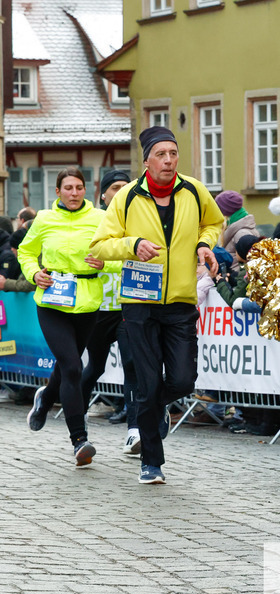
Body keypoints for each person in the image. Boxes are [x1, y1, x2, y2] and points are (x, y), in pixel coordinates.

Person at [91, 126, 224, 484]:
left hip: (180, 301)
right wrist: (132, 245)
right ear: (147, 160)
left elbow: (214, 221)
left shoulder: (194, 190)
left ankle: (150, 409)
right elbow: (100, 246)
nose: (168, 160)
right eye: (161, 155)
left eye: (173, 154)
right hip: (139, 303)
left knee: (182, 380)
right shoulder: (128, 197)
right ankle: (151, 462)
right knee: (148, 383)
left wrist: (204, 244)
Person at [18, 167, 109, 465]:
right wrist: (34, 273)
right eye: (68, 188)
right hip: (52, 302)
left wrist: (104, 263)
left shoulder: (99, 219)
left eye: (79, 188)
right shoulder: (44, 219)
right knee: (72, 366)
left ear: (87, 190)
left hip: (87, 303)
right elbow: (26, 252)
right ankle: (79, 440)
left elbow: (117, 256)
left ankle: (45, 397)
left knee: (65, 364)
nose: (74, 193)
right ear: (57, 192)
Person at [78, 170, 138, 442]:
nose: (121, 191)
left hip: (128, 306)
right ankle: (77, 417)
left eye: (127, 186)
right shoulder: (94, 222)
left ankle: (134, 430)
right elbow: (90, 258)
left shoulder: (139, 220)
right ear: (103, 194)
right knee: (96, 367)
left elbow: (137, 260)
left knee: (132, 364)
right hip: (100, 307)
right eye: (115, 187)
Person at [215, 190, 260, 275]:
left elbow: (251, 264)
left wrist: (234, 278)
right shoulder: (237, 229)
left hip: (238, 283)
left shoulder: (242, 233)